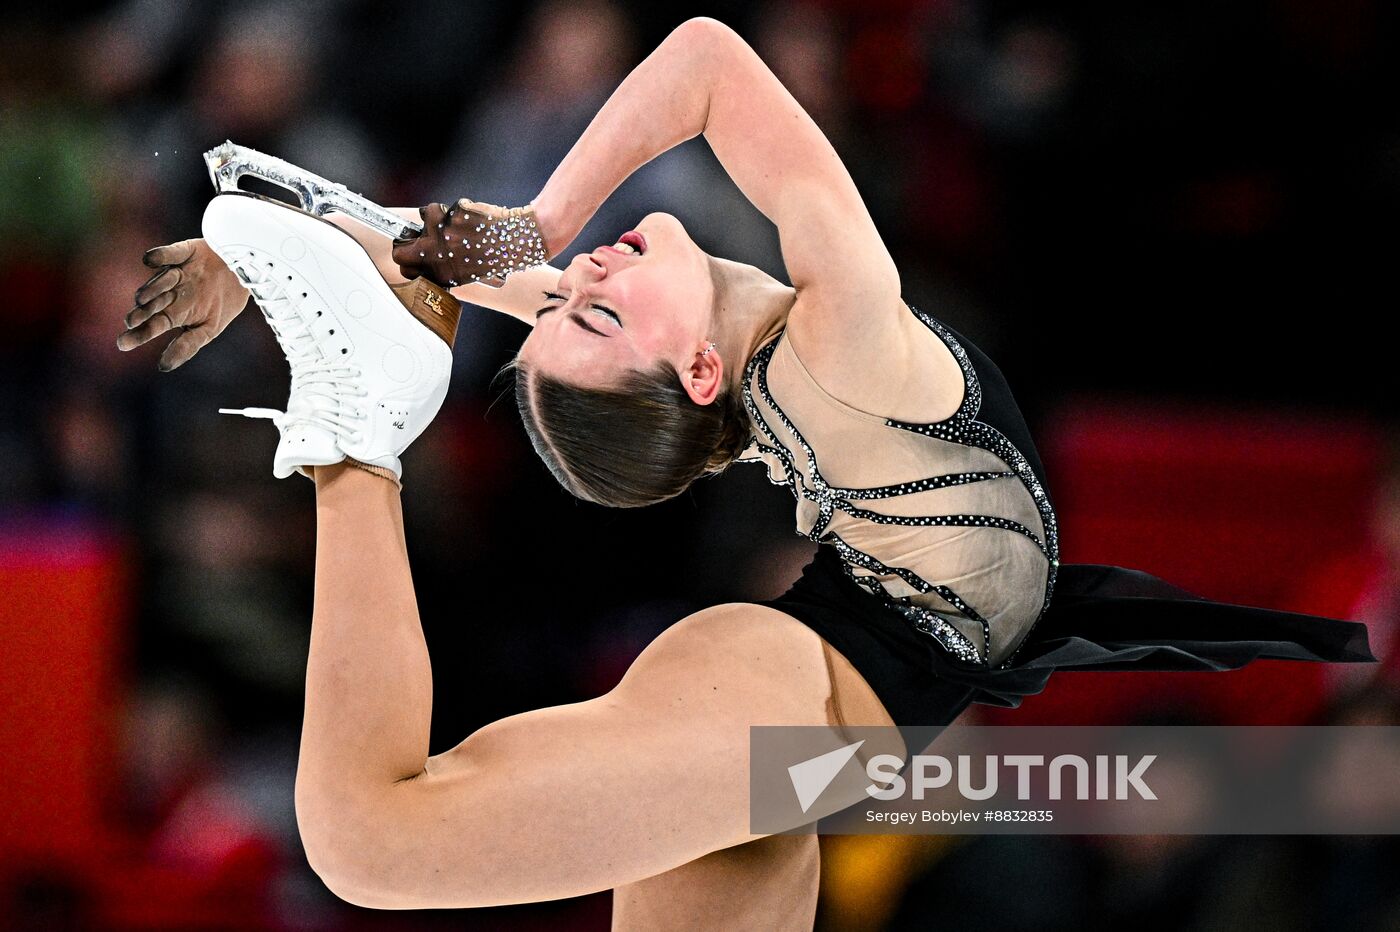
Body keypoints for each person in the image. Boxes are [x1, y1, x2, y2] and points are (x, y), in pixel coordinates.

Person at [116, 17, 1375, 927]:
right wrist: (340, 250)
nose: (582, 276)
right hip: (802, 709)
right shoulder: (841, 331)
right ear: (697, 375)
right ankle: (355, 432)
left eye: (576, 293)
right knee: (363, 836)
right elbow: (707, 68)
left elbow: (485, 241)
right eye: (589, 312)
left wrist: (290, 234)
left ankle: (355, 435)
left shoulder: (775, 346)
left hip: (806, 703)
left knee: (362, 835)